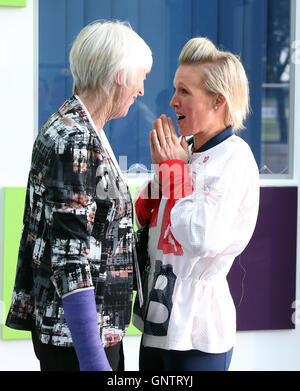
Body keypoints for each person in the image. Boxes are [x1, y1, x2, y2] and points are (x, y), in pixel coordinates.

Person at [5, 20, 152, 371]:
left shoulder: (81, 127)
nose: (143, 89)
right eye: (140, 76)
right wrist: (94, 361)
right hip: (80, 343)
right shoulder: (75, 139)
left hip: (87, 334)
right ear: (119, 75)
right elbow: (71, 259)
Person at [132, 37, 259, 371]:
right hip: (157, 326)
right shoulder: (185, 148)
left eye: (185, 92)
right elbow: (148, 218)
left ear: (218, 101)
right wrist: (162, 177)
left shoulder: (233, 158)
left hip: (198, 337)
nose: (173, 101)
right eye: (175, 90)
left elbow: (203, 238)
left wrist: (172, 175)